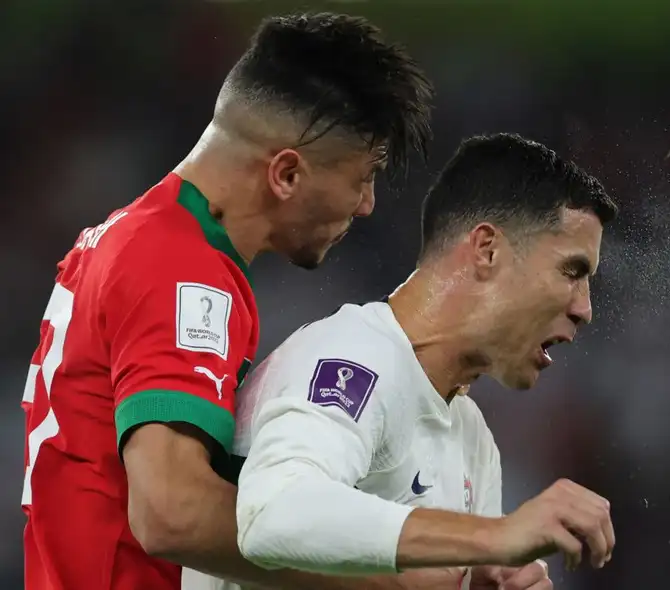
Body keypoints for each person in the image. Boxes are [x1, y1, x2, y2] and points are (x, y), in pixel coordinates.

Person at [20, 12, 438, 590]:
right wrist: (384, 580)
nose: (366, 204)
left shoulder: (131, 236)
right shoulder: (179, 270)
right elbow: (173, 514)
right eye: (363, 176)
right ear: (286, 174)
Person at [223, 133, 619, 590]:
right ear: (487, 250)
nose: (584, 309)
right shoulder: (355, 360)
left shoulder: (473, 439)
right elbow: (271, 514)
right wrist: (494, 536)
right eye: (571, 272)